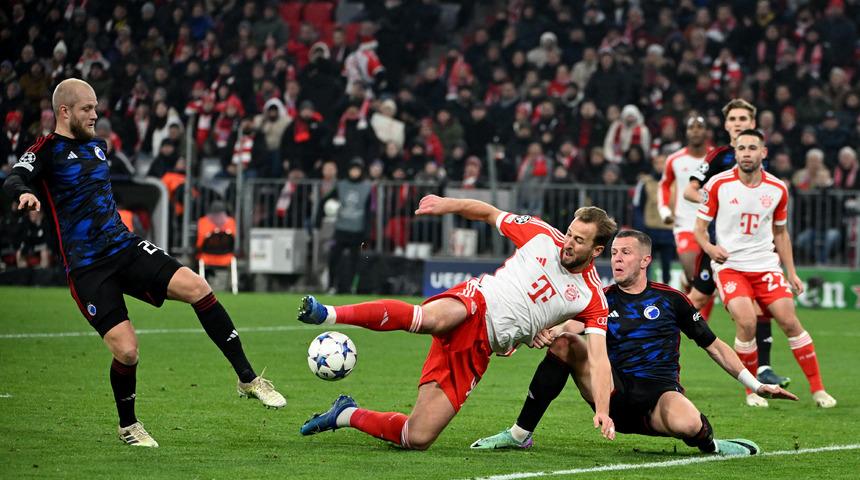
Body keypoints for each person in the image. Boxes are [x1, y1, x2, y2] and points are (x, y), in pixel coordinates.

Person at [1, 79, 285, 448]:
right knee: (127, 350)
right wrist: (25, 193)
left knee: (198, 287)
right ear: (64, 112)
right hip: (88, 267)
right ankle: (129, 426)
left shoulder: (99, 147)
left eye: (96, 107)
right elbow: (15, 177)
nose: (95, 114)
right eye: (87, 108)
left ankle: (247, 378)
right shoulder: (46, 149)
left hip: (126, 247)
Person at [297, 197, 618, 450]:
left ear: (597, 250)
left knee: (417, 437)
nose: (568, 243)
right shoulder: (541, 235)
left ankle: (345, 414)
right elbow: (489, 213)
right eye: (569, 233)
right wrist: (446, 204)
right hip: (477, 302)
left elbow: (599, 358)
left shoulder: (591, 297)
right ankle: (328, 313)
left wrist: (601, 409)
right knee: (427, 318)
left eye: (579, 240)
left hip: (480, 348)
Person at [471, 230, 797, 455]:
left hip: (658, 397)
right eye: (614, 253)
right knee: (566, 343)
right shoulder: (599, 299)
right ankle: (520, 434)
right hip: (610, 392)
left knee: (689, 423)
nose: (617, 259)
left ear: (644, 260)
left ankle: (712, 446)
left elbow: (715, 346)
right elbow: (564, 326)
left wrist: (755, 385)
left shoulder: (672, 300)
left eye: (625, 253)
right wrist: (533, 333)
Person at [694, 129, 836, 409]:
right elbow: (699, 228)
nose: (746, 153)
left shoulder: (777, 188)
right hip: (731, 266)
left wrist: (791, 272)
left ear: (763, 152)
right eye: (742, 148)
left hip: (765, 266)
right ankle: (752, 391)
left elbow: (781, 233)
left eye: (752, 148)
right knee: (747, 322)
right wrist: (710, 249)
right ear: (735, 153)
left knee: (790, 321)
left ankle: (818, 389)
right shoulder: (718, 184)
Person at [682, 99, 789, 398]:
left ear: (753, 122)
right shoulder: (718, 157)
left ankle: (763, 367)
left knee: (759, 305)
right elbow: (690, 190)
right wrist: (716, 198)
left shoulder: (759, 157)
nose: (738, 123)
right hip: (719, 248)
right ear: (726, 124)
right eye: (733, 119)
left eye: (744, 118)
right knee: (696, 299)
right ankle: (659, 342)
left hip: (753, 252)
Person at [658, 115, 711, 288]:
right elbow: (664, 185)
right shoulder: (675, 159)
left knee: (709, 279)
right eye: (691, 127)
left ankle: (692, 298)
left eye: (699, 127)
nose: (695, 131)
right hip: (685, 223)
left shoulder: (716, 157)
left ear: (706, 131)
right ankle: (686, 281)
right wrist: (665, 211)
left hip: (712, 223)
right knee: (693, 275)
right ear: (686, 132)